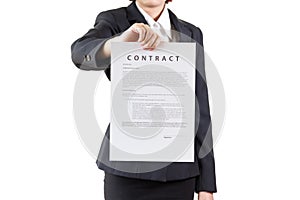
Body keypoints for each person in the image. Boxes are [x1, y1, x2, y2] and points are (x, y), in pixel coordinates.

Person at [71, 0, 217, 199]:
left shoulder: (191, 33)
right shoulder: (114, 20)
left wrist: (206, 185)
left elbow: (200, 107)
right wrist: (120, 41)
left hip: (179, 173)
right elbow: (80, 53)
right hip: (127, 170)